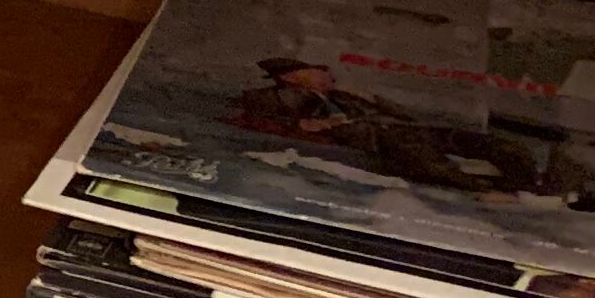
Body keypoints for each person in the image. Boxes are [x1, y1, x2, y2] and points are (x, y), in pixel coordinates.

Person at [229, 57, 542, 192]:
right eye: (318, 71)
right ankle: (484, 189)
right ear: (293, 76)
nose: (328, 75)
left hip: (404, 129)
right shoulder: (284, 96)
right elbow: (294, 121)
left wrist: (372, 98)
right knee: (421, 158)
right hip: (374, 136)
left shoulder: (342, 94)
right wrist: (321, 122)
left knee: (487, 143)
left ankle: (525, 180)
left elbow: (407, 117)